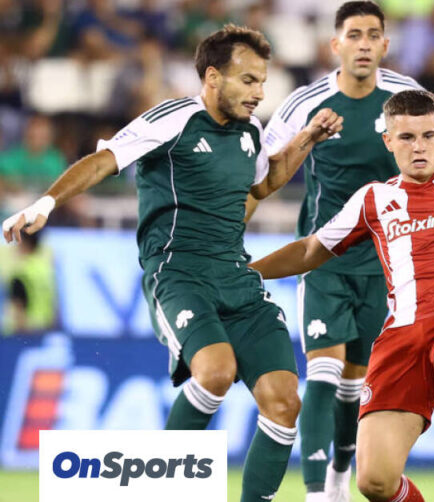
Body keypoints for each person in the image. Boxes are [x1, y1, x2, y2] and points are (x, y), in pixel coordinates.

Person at [2, 25, 344, 502]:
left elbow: (263, 184)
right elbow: (104, 160)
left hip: (237, 276)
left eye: (262, 82)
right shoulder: (175, 119)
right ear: (212, 77)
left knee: (285, 402)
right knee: (216, 371)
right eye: (248, 80)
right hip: (179, 274)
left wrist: (307, 137)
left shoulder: (250, 131)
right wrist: (45, 203)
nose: (259, 93)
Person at [250, 89, 434, 502]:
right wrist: (246, 272)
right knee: (375, 482)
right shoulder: (374, 198)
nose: (419, 147)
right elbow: (309, 250)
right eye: (407, 137)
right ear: (388, 141)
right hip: (400, 337)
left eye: (428, 136)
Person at [256, 3, 434, 500]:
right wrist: (307, 137)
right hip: (324, 258)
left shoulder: (405, 98)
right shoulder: (305, 103)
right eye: (354, 35)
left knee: (355, 386)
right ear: (336, 45)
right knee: (322, 373)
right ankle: (316, 494)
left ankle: (339, 479)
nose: (363, 44)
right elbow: (262, 170)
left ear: (385, 45)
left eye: (372, 35)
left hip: (390, 266)